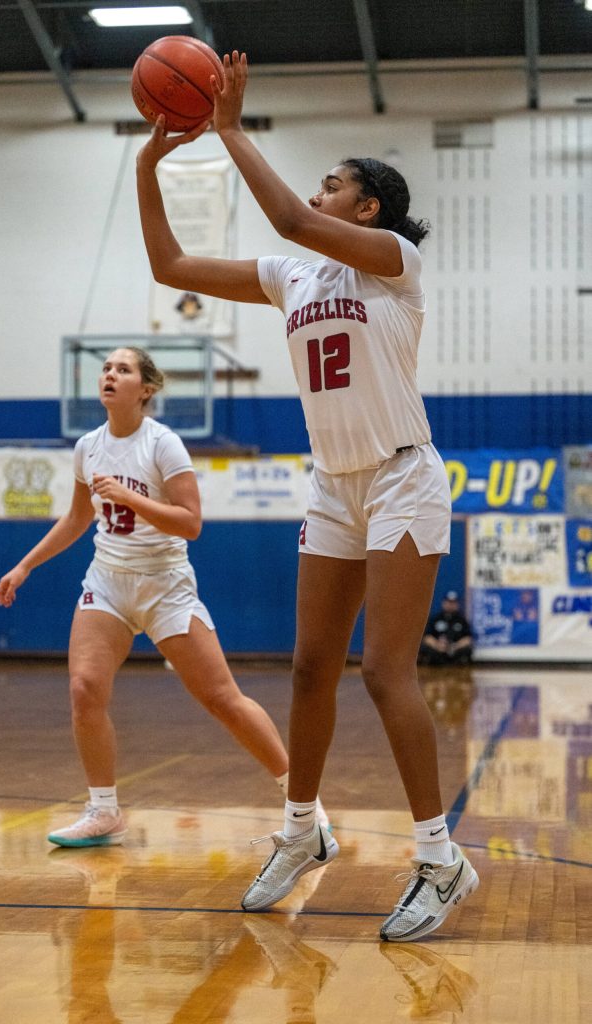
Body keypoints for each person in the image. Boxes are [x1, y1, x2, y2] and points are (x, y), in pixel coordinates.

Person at [135, 50, 479, 942]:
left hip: (403, 474)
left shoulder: (392, 263)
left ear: (367, 208)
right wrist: (146, 167)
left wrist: (231, 131)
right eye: (322, 184)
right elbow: (170, 265)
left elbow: (287, 216)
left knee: (383, 670)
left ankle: (441, 860)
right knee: (307, 669)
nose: (318, 193)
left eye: (335, 184)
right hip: (334, 485)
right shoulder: (293, 278)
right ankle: (300, 832)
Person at [0, 345, 328, 847]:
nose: (110, 374)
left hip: (164, 583)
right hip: (107, 579)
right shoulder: (88, 446)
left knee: (222, 699)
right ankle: (104, 811)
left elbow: (191, 523)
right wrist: (25, 564)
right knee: (84, 690)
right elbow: (78, 519)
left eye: (122, 369)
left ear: (145, 389)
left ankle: (303, 803)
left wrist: (130, 496)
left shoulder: (163, 444)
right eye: (106, 368)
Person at [418, 590, 473, 665]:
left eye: (453, 603)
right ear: (444, 603)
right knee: (424, 648)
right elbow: (427, 636)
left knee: (468, 650)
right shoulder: (435, 619)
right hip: (438, 649)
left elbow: (468, 638)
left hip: (454, 649)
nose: (451, 605)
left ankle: (454, 662)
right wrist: (437, 645)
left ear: (457, 604)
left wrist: (455, 646)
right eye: (449, 602)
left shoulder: (462, 620)